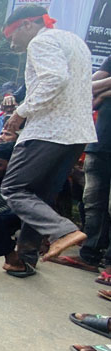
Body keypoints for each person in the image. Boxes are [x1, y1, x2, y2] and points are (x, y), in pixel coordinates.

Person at [1, 5, 97, 267]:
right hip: (76, 132)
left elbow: (54, 79)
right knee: (38, 195)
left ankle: (62, 231)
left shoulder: (41, 42)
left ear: (28, 25)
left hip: (48, 130)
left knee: (14, 188)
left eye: (11, 36)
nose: (11, 42)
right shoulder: (74, 41)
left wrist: (21, 112)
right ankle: (25, 259)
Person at [52, 54, 111, 281]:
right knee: (93, 203)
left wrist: (103, 91)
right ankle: (89, 256)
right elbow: (88, 91)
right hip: (100, 143)